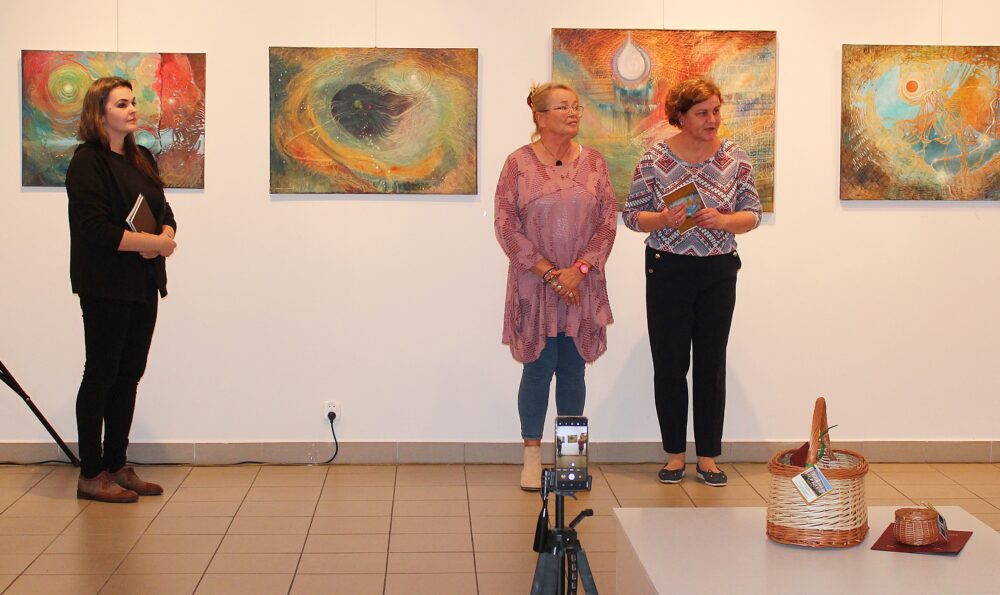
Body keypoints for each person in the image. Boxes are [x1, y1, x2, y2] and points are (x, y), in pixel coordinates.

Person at [623, 77, 762, 487]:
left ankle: (708, 457)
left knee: (711, 363)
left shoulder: (736, 157)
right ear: (680, 116)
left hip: (718, 270)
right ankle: (673, 456)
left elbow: (753, 214)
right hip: (666, 268)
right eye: (702, 113)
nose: (712, 119)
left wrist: (724, 220)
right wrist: (663, 218)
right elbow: (631, 216)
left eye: (716, 111)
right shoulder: (654, 158)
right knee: (669, 363)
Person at [495, 83, 617, 491]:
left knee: (573, 370)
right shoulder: (518, 164)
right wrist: (550, 273)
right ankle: (531, 457)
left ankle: (570, 460)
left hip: (582, 284)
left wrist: (578, 270)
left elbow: (607, 222)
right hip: (535, 285)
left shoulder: (595, 163)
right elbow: (506, 226)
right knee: (537, 368)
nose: (573, 113)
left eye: (576, 106)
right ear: (540, 116)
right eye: (563, 107)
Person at [66, 76, 178, 503]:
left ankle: (116, 464)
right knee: (101, 374)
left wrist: (164, 236)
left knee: (129, 374)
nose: (132, 110)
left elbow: (165, 212)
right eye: (121, 104)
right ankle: (90, 474)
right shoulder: (87, 162)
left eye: (132, 103)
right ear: (99, 113)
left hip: (143, 282)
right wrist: (151, 243)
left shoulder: (141, 157)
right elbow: (94, 229)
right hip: (104, 284)